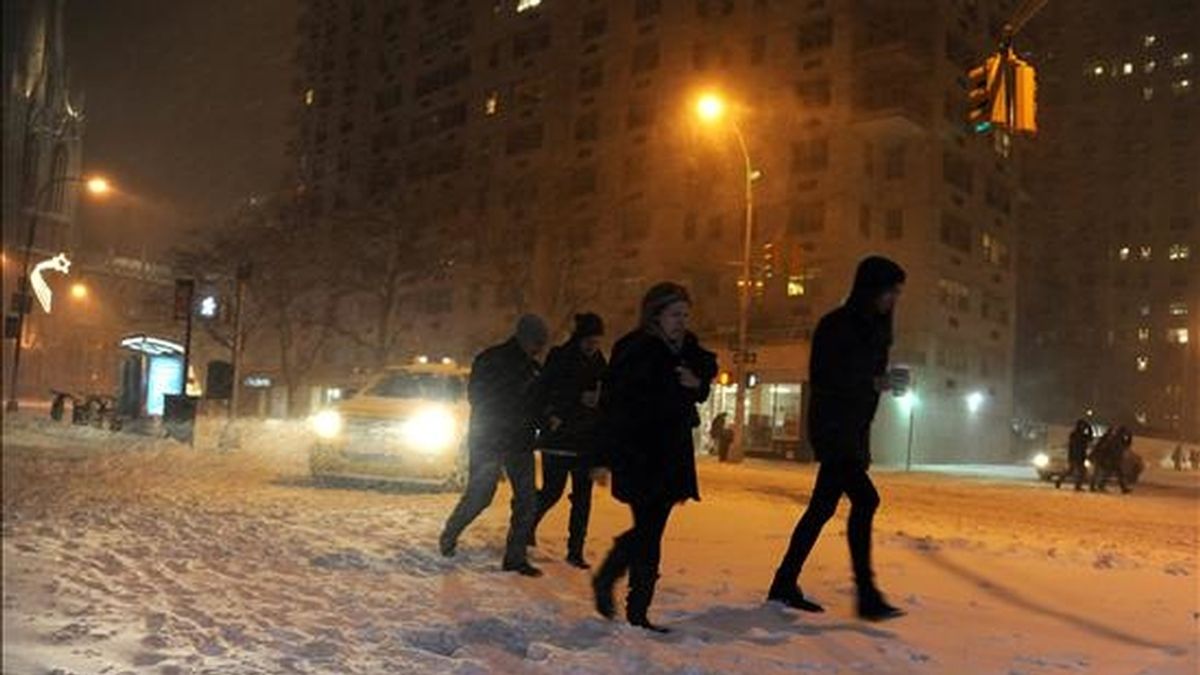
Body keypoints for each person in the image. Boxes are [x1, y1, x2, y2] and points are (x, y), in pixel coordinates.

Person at [767, 256, 907, 622]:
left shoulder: (875, 331)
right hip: (833, 431)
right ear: (870, 289)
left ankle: (784, 581)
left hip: (853, 431)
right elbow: (827, 380)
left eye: (896, 293)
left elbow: (863, 383)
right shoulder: (837, 326)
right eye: (889, 291)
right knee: (866, 499)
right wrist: (872, 383)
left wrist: (882, 384)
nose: (893, 299)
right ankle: (866, 593)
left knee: (821, 509)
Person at [591, 282, 717, 633]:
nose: (682, 321)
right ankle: (631, 603)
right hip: (640, 454)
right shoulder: (634, 350)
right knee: (649, 531)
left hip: (671, 454)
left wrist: (697, 383)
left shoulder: (685, 348)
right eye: (675, 314)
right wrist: (603, 456)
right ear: (655, 315)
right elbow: (612, 407)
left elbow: (707, 368)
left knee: (650, 530)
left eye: (686, 315)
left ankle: (621, 592)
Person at [440, 314, 549, 576]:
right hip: (490, 439)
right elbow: (478, 397)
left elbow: (536, 405)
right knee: (481, 496)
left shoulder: (533, 368)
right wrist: (515, 407)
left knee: (527, 500)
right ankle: (450, 533)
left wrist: (543, 419)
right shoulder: (493, 359)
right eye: (537, 342)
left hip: (518, 441)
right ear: (525, 337)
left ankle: (515, 557)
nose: (539, 348)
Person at [531, 312, 608, 570]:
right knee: (553, 491)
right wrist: (575, 401)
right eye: (589, 340)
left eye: (597, 341)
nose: (593, 346)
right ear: (579, 337)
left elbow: (605, 397)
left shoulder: (600, 363)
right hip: (559, 438)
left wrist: (599, 404)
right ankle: (526, 524)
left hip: (587, 441)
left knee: (583, 498)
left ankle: (575, 551)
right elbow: (546, 391)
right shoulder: (560, 357)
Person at [1090, 426, 1132, 494]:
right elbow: (1106, 449)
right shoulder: (1113, 439)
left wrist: (1129, 437)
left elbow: (1126, 445)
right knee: (1106, 473)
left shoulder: (1119, 439)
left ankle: (1123, 488)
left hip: (1115, 460)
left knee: (1115, 474)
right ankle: (1098, 486)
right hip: (1112, 460)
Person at [1057, 419, 1093, 490]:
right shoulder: (1076, 435)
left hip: (1079, 456)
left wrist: (1089, 428)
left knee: (1073, 471)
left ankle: (1060, 481)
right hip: (1076, 456)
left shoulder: (1078, 435)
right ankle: (1077, 486)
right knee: (1081, 471)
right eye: (1083, 426)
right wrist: (1089, 428)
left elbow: (1090, 438)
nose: (1083, 427)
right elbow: (1075, 446)